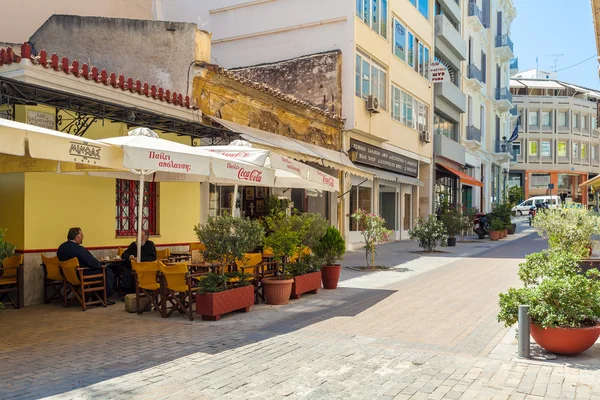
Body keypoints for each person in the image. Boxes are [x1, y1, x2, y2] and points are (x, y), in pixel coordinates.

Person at [57, 227, 115, 305]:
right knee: (107, 271)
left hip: (67, 276)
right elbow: (92, 262)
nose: (83, 237)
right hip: (81, 275)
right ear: (77, 237)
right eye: (81, 235)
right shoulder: (79, 249)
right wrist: (101, 265)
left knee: (99, 271)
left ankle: (96, 297)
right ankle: (102, 298)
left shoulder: (61, 248)